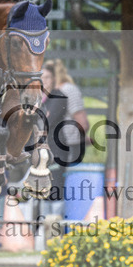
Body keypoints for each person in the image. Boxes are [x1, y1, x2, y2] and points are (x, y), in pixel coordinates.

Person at [40, 59, 89, 204]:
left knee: (61, 184)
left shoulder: (67, 90)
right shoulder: (46, 94)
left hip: (68, 143)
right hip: (54, 145)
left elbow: (82, 122)